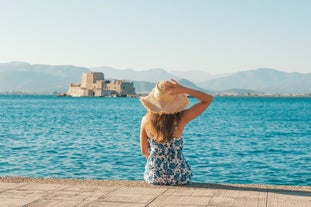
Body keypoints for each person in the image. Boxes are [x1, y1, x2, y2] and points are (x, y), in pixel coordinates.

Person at [140, 79, 213, 185]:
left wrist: (156, 165)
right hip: (178, 176)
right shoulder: (180, 119)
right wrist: (183, 89)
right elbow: (208, 99)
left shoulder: (145, 120)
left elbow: (144, 151)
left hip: (154, 176)